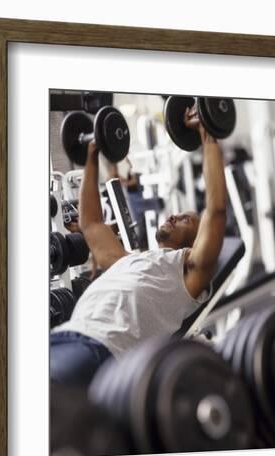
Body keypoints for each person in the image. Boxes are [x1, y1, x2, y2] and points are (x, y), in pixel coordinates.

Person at [50, 105, 227, 387]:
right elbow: (92, 225)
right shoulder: (127, 260)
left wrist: (209, 135)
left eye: (185, 220)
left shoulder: (188, 276)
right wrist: (91, 154)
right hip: (67, 334)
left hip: (100, 349)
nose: (173, 215)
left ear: (197, 242)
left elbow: (216, 210)